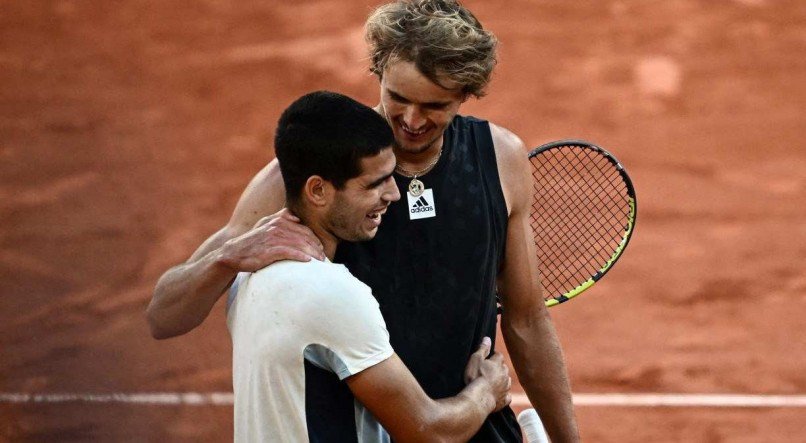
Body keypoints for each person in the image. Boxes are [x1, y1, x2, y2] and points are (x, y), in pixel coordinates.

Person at [147, 1, 579, 441]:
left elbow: (526, 320)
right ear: (378, 73)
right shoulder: (315, 173)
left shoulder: (502, 160)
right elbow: (164, 316)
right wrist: (228, 256)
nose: (411, 120)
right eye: (398, 98)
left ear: (466, 95)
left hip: (473, 425)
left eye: (434, 105)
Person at [228, 90, 511, 442]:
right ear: (318, 191)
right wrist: (486, 391)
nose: (394, 193)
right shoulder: (333, 295)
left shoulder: (246, 273)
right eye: (374, 183)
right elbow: (430, 432)